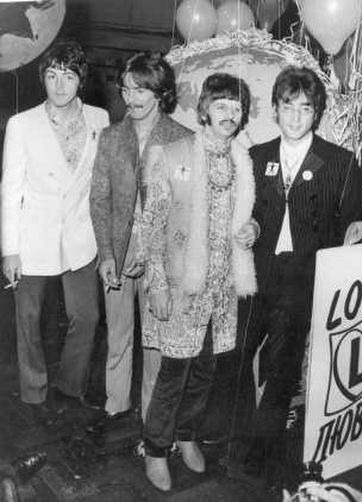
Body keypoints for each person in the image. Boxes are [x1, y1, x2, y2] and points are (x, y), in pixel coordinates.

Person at [238, 65, 362, 487]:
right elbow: (251, 212)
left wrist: (359, 228)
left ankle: (261, 452)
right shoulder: (255, 156)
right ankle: (239, 436)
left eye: (305, 109)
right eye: (287, 107)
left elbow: (358, 215)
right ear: (275, 110)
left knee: (281, 370)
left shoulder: (340, 161)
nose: (295, 117)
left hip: (302, 280)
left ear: (316, 114)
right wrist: (251, 227)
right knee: (235, 359)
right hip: (255, 275)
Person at [140, 72, 257, 491]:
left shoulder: (243, 160)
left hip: (223, 291)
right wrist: (155, 282)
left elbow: (245, 220)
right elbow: (149, 223)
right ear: (203, 109)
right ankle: (155, 450)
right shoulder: (170, 154)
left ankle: (187, 438)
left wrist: (253, 231)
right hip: (180, 285)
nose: (229, 113)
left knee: (205, 373)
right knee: (174, 373)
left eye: (237, 106)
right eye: (221, 104)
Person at [1, 41, 109, 424]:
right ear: (42, 79)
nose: (59, 85)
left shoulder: (99, 119)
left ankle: (69, 386)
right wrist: (9, 250)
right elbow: (10, 189)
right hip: (33, 239)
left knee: (88, 316)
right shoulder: (22, 124)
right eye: (51, 75)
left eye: (68, 75)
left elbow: (99, 183)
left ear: (81, 80)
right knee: (28, 319)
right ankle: (33, 392)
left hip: (81, 238)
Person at [90, 52, 192, 425]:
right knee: (118, 333)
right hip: (117, 248)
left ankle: (153, 415)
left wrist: (153, 256)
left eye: (140, 91)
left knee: (155, 342)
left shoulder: (182, 139)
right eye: (126, 90)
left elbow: (184, 211)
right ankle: (116, 402)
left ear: (161, 93)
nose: (130, 99)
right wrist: (106, 255)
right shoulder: (111, 137)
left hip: (160, 257)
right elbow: (99, 198)